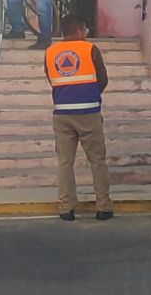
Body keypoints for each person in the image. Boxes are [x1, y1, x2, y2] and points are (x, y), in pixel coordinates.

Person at [45, 14, 111, 221]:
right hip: (88, 112)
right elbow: (103, 79)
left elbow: (52, 79)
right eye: (85, 29)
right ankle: (103, 206)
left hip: (62, 113)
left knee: (65, 163)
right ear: (79, 30)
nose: (86, 33)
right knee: (97, 161)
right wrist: (90, 94)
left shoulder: (50, 52)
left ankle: (66, 208)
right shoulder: (90, 49)